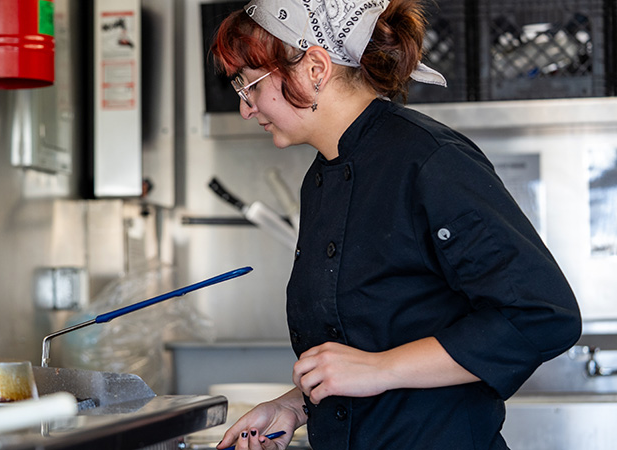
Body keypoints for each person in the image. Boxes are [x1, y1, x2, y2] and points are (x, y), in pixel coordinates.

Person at [209, 1, 582, 449]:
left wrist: (381, 368)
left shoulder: (430, 160)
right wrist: (294, 406)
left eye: (249, 83)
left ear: (315, 67)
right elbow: (369, 339)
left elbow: (542, 314)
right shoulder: (320, 178)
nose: (246, 107)